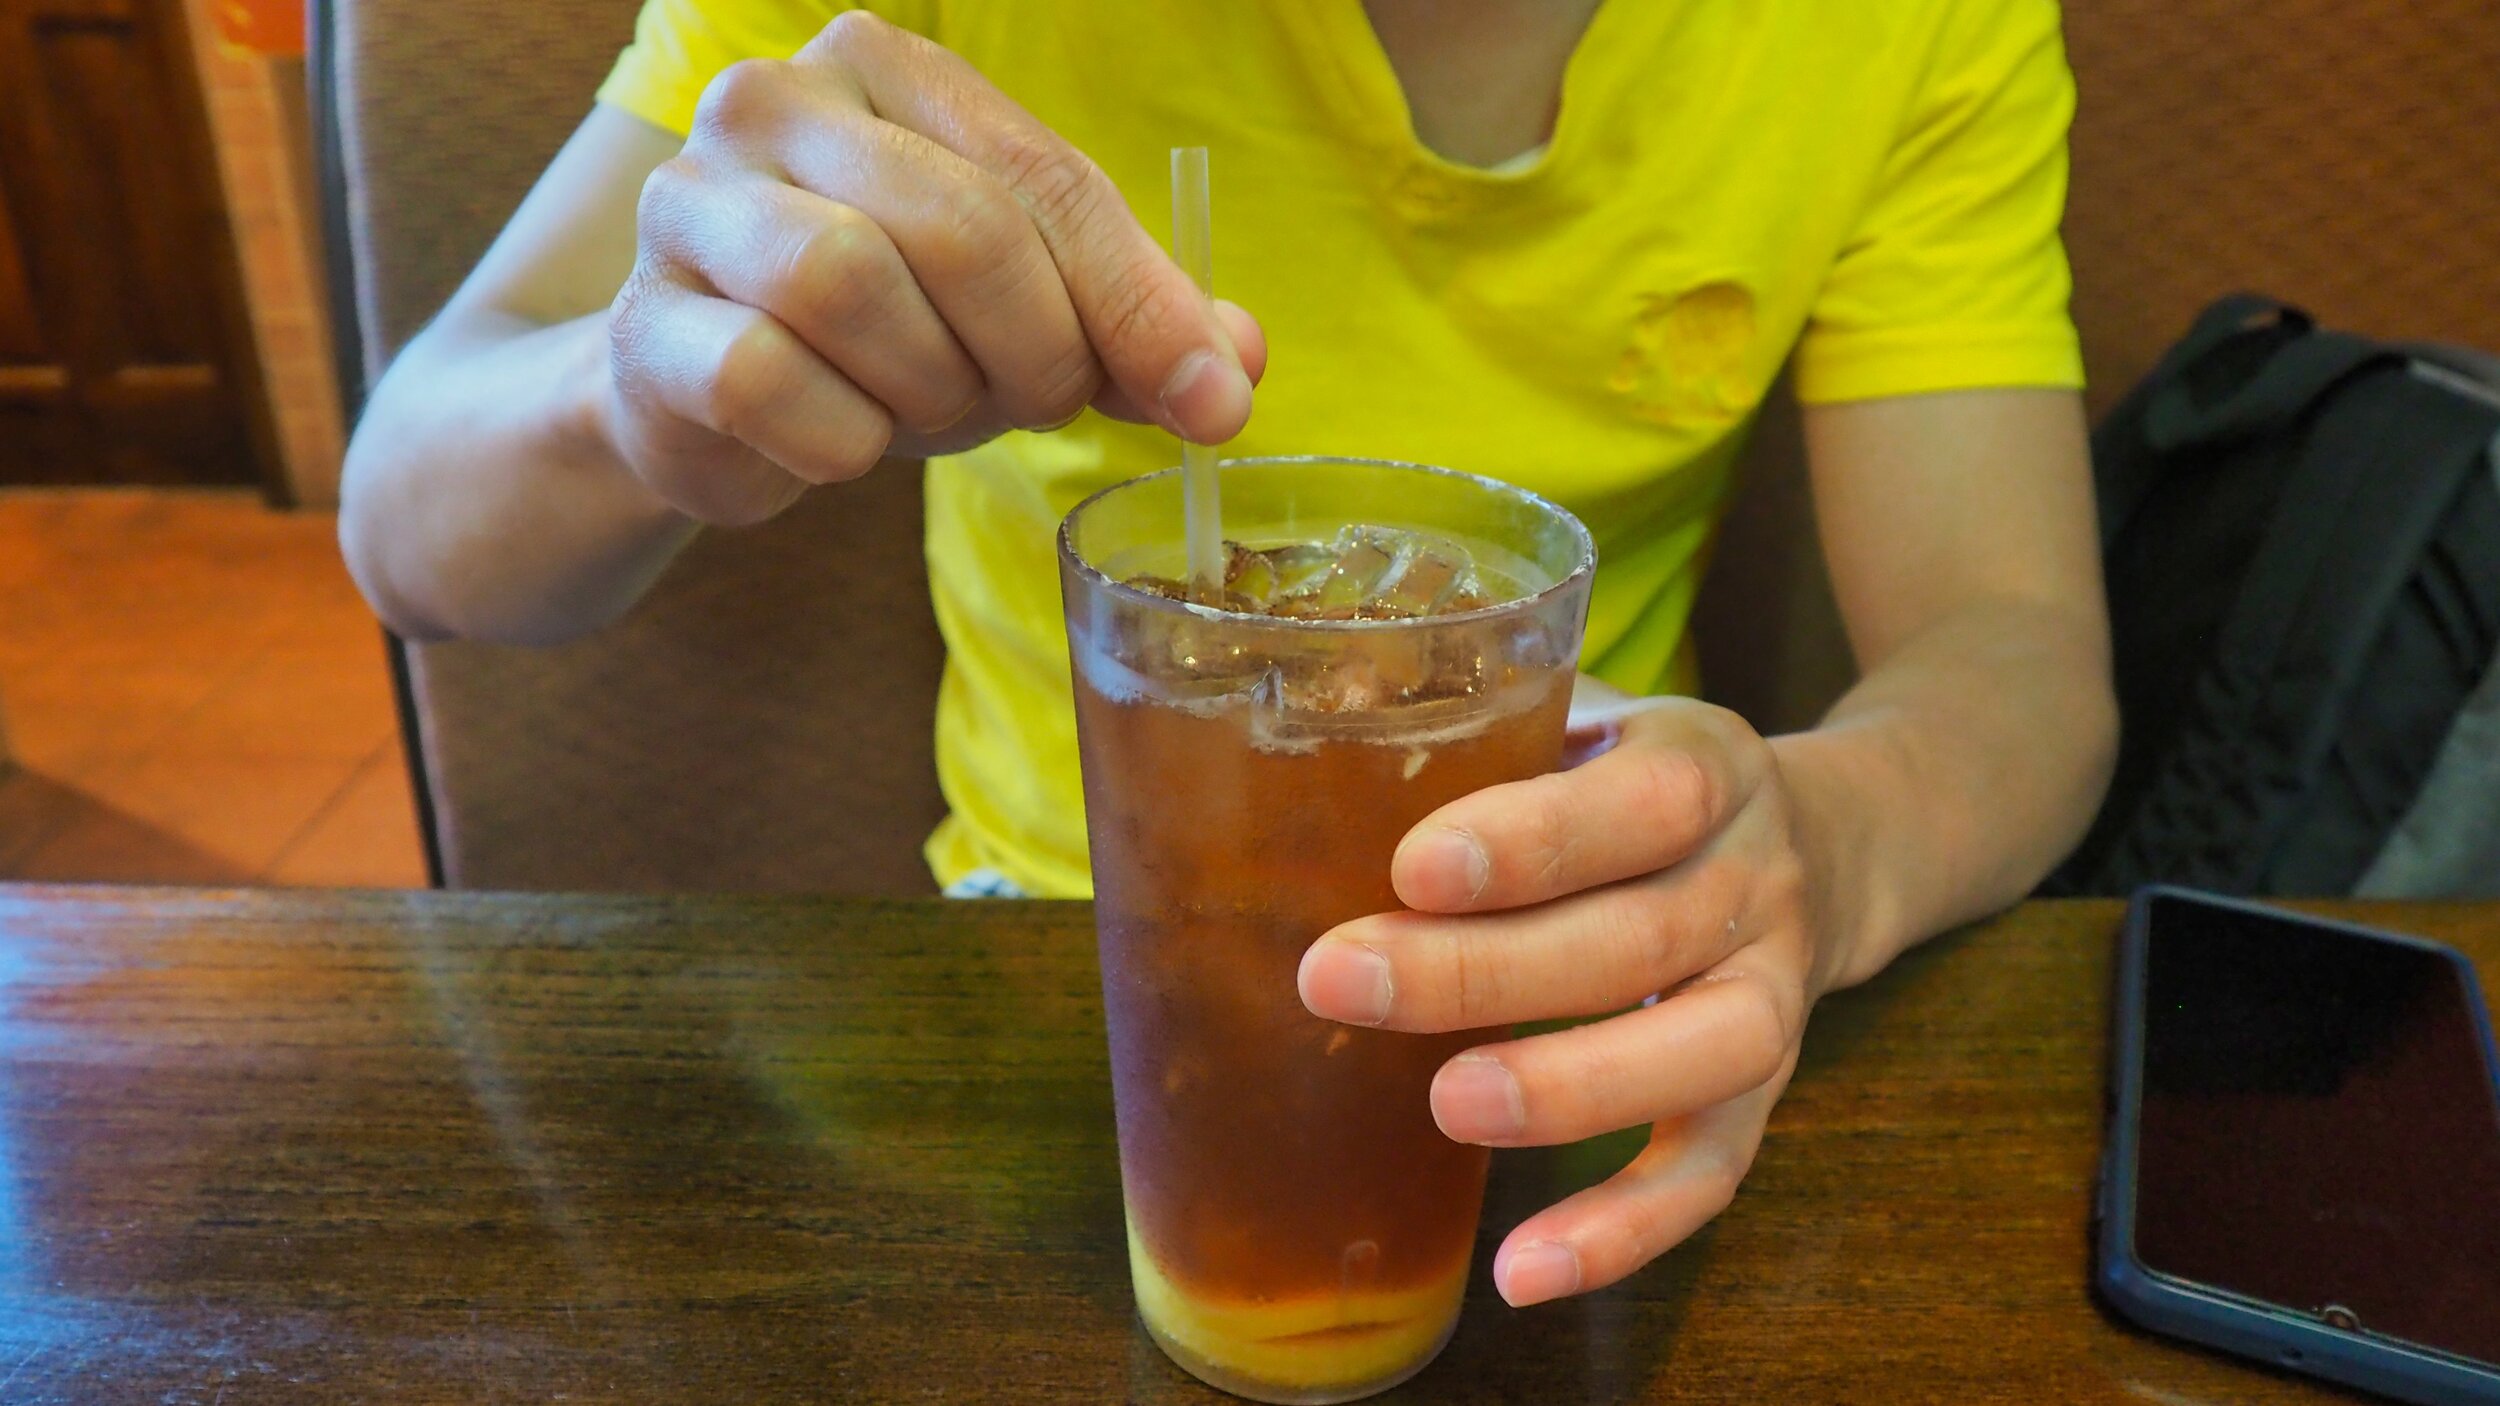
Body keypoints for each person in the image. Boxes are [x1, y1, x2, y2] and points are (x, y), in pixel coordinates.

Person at [339, 0, 2117, 1311]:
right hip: (1048, 1013)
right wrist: (641, 387)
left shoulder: (1906, 30)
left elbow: (2019, 652)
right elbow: (405, 517)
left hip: (1556, 1025)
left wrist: (1812, 832)